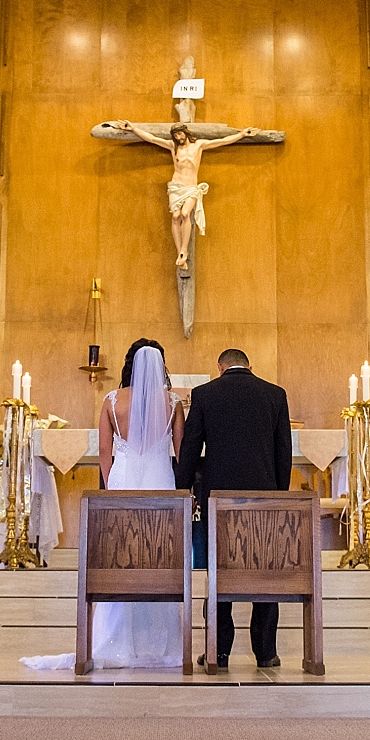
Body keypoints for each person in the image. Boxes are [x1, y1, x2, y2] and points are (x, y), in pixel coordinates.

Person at [174, 347, 292, 668]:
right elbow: (283, 452)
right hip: (263, 500)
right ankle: (266, 653)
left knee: (218, 572)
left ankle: (219, 652)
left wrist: (183, 489)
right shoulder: (275, 394)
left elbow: (190, 446)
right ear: (249, 366)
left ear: (220, 367)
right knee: (264, 573)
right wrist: (279, 496)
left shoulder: (204, 394)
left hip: (218, 499)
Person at [90, 339, 187, 668]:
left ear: (129, 364)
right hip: (161, 481)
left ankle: (116, 640)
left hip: (123, 481)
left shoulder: (112, 401)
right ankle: (160, 642)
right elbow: (181, 453)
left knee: (120, 556)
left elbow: (104, 453)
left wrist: (110, 486)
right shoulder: (172, 402)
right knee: (160, 556)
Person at [113, 117, 258, 270]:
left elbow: (222, 141)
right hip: (176, 186)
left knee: (185, 213)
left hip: (190, 187)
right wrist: (133, 128)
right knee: (175, 216)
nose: (178, 137)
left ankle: (184, 250)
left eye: (180, 134)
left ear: (186, 132)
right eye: (175, 135)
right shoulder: (172, 146)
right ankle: (180, 254)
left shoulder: (199, 145)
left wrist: (242, 134)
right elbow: (152, 138)